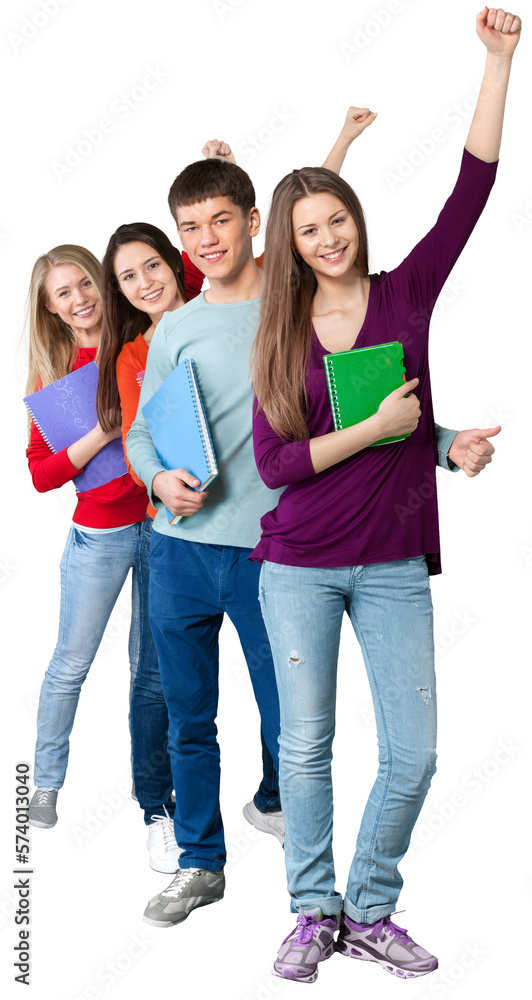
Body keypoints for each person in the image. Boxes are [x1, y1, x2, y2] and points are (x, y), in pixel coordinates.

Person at [126, 109, 498, 928]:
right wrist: (156, 481)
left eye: (224, 220)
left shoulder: (298, 306)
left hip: (272, 550)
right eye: (191, 227)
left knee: (296, 739)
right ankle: (212, 867)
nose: (207, 238)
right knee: (201, 717)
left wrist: (437, 441)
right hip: (197, 549)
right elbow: (152, 430)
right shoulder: (190, 326)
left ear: (256, 229)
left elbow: (319, 232)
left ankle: (327, 881)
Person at [250, 7, 520, 983]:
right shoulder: (276, 332)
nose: (325, 238)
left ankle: (367, 907)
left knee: (414, 755)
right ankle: (310, 910)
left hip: (395, 565)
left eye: (335, 220)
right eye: (306, 229)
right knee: (309, 752)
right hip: (298, 568)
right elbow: (278, 465)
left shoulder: (406, 294)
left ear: (356, 219)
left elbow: (471, 191)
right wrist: (381, 432)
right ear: (290, 244)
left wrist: (496, 64)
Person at [95, 218, 283, 841]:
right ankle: (168, 818)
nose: (144, 282)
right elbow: (139, 436)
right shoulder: (143, 348)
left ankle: (280, 803)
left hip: (261, 541)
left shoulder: (235, 298)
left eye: (153, 266)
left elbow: (277, 241)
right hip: (175, 535)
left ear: (178, 264)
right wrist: (156, 479)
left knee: (286, 701)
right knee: (170, 694)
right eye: (127, 277)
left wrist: (231, 182)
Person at [25, 244, 179, 872]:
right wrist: (103, 430)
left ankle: (156, 808)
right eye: (62, 293)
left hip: (163, 524)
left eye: (85, 283)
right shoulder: (54, 376)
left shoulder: (139, 335)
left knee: (153, 671)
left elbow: (189, 274)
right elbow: (40, 474)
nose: (79, 299)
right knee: (70, 662)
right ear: (49, 308)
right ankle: (46, 781)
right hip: (99, 535)